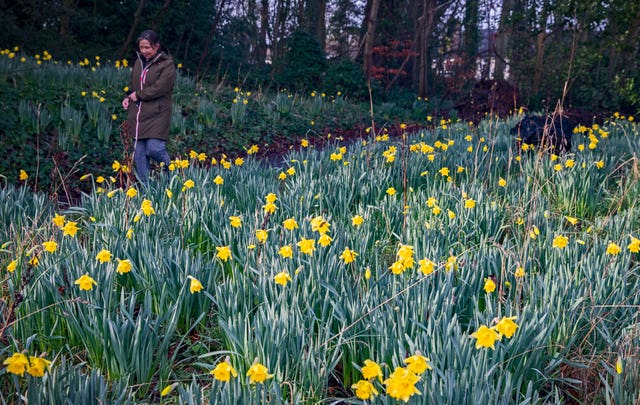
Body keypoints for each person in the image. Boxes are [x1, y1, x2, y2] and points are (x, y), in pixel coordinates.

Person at [122, 29, 176, 183]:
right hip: (138, 114)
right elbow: (133, 85)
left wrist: (137, 95)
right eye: (142, 47)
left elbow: (160, 88)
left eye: (148, 47)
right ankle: (147, 192)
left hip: (158, 113)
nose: (144, 51)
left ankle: (172, 174)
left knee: (154, 148)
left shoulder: (167, 65)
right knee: (139, 155)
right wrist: (128, 97)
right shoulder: (138, 62)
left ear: (156, 46)